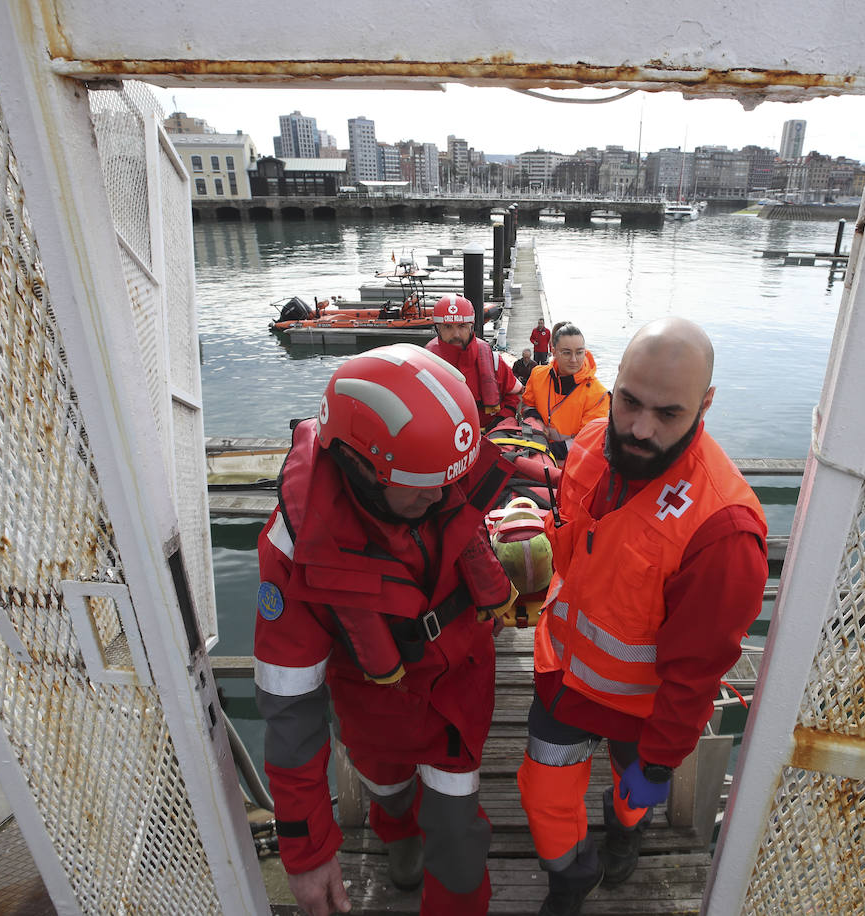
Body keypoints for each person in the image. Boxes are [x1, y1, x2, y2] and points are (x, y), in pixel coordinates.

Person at [254, 344, 519, 916]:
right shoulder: (292, 552)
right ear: (360, 466)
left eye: (451, 479)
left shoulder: (436, 478)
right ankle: (398, 834)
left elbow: (450, 496)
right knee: (388, 788)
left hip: (459, 695)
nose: (443, 493)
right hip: (376, 707)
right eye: (423, 483)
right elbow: (289, 706)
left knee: (457, 844)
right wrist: (305, 850)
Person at [516, 317, 768, 916]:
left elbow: (697, 673)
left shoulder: (724, 531)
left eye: (668, 414)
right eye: (629, 401)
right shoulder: (588, 446)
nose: (639, 429)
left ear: (705, 404)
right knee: (543, 794)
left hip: (644, 709)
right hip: (563, 678)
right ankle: (572, 878)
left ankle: (625, 827)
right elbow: (574, 546)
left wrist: (661, 758)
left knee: (635, 793)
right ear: (613, 380)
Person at [426, 293, 520, 430]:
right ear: (438, 329)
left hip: (489, 437)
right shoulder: (425, 363)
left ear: (471, 327)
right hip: (442, 438)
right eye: (448, 327)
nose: (456, 334)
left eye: (462, 326)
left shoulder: (493, 362)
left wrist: (500, 420)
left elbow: (514, 395)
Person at [519, 323, 610, 445]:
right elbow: (527, 405)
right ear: (554, 352)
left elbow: (588, 442)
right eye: (567, 353)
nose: (573, 360)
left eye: (579, 352)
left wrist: (546, 449)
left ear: (585, 352)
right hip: (537, 450)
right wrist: (536, 420)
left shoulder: (599, 396)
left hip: (570, 461)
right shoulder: (537, 375)